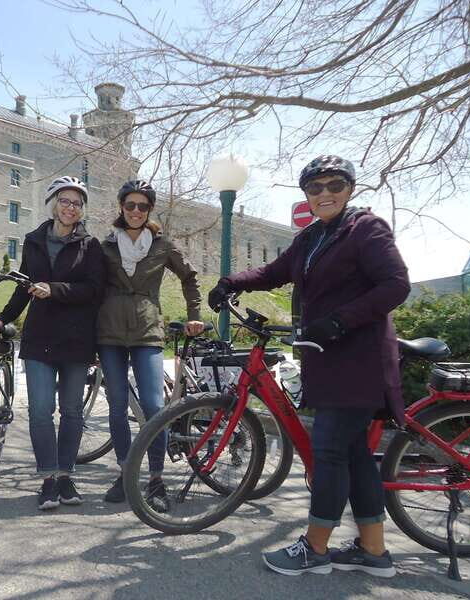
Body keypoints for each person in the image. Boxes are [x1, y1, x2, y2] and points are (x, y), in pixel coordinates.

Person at [208, 155, 410, 577]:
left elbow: (395, 284)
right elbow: (275, 271)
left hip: (360, 357)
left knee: (330, 450)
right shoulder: (312, 238)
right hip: (328, 357)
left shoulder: (365, 229)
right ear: (307, 196)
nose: (324, 194)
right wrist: (232, 281)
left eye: (334, 185)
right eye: (315, 188)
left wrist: (339, 321)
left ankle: (315, 549)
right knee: (353, 455)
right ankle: (373, 552)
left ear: (350, 188)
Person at [0, 176, 105, 510]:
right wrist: (4, 317)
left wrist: (56, 289)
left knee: (71, 412)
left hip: (76, 339)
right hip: (39, 339)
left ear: (82, 210)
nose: (70, 208)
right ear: (53, 203)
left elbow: (95, 291)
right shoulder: (33, 240)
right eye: (65, 201)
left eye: (77, 203)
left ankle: (66, 476)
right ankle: (48, 479)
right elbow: (24, 285)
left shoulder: (90, 245)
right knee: (40, 410)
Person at [98, 179, 204, 511]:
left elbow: (189, 276)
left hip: (147, 330)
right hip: (110, 331)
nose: (135, 211)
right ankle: (125, 471)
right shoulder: (105, 245)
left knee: (154, 406)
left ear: (149, 210)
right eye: (130, 205)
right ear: (121, 207)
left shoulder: (162, 246)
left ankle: (156, 479)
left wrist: (195, 314)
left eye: (142, 206)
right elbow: (88, 287)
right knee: (116, 406)